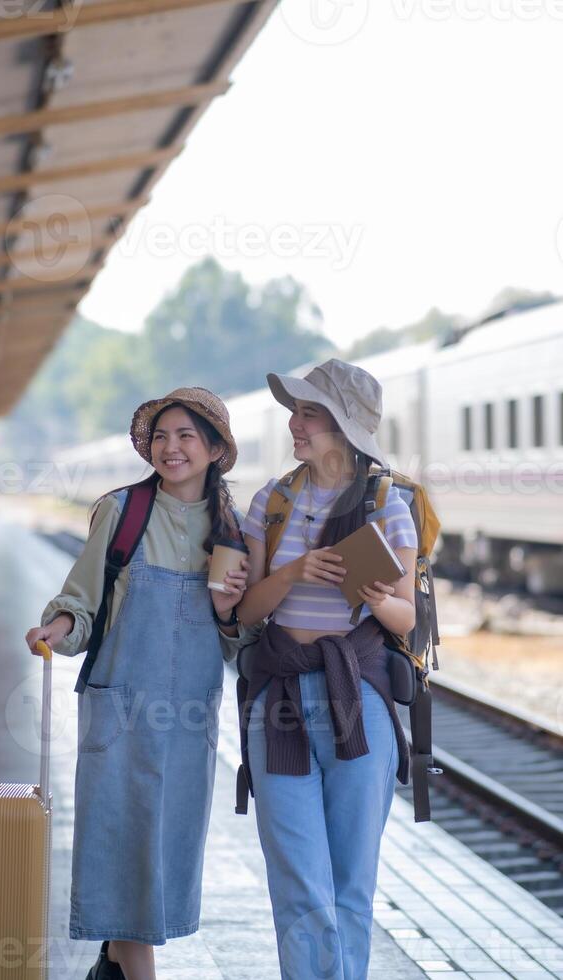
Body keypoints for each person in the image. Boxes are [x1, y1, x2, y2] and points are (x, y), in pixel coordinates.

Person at [25, 387, 254, 980]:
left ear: (213, 449)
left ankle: (114, 964)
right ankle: (131, 968)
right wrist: (56, 627)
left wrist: (232, 610)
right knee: (120, 839)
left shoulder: (234, 529)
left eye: (185, 437)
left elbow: (238, 638)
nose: (170, 448)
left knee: (166, 844)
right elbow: (81, 600)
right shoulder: (121, 510)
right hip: (119, 707)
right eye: (161, 436)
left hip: (188, 717)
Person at [235, 359, 418, 980]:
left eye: (309, 412)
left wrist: (373, 595)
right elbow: (244, 614)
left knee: (349, 884)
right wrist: (293, 572)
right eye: (296, 411)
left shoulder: (391, 502)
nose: (294, 423)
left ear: (342, 424)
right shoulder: (273, 499)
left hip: (357, 698)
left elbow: (405, 619)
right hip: (279, 698)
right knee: (298, 885)